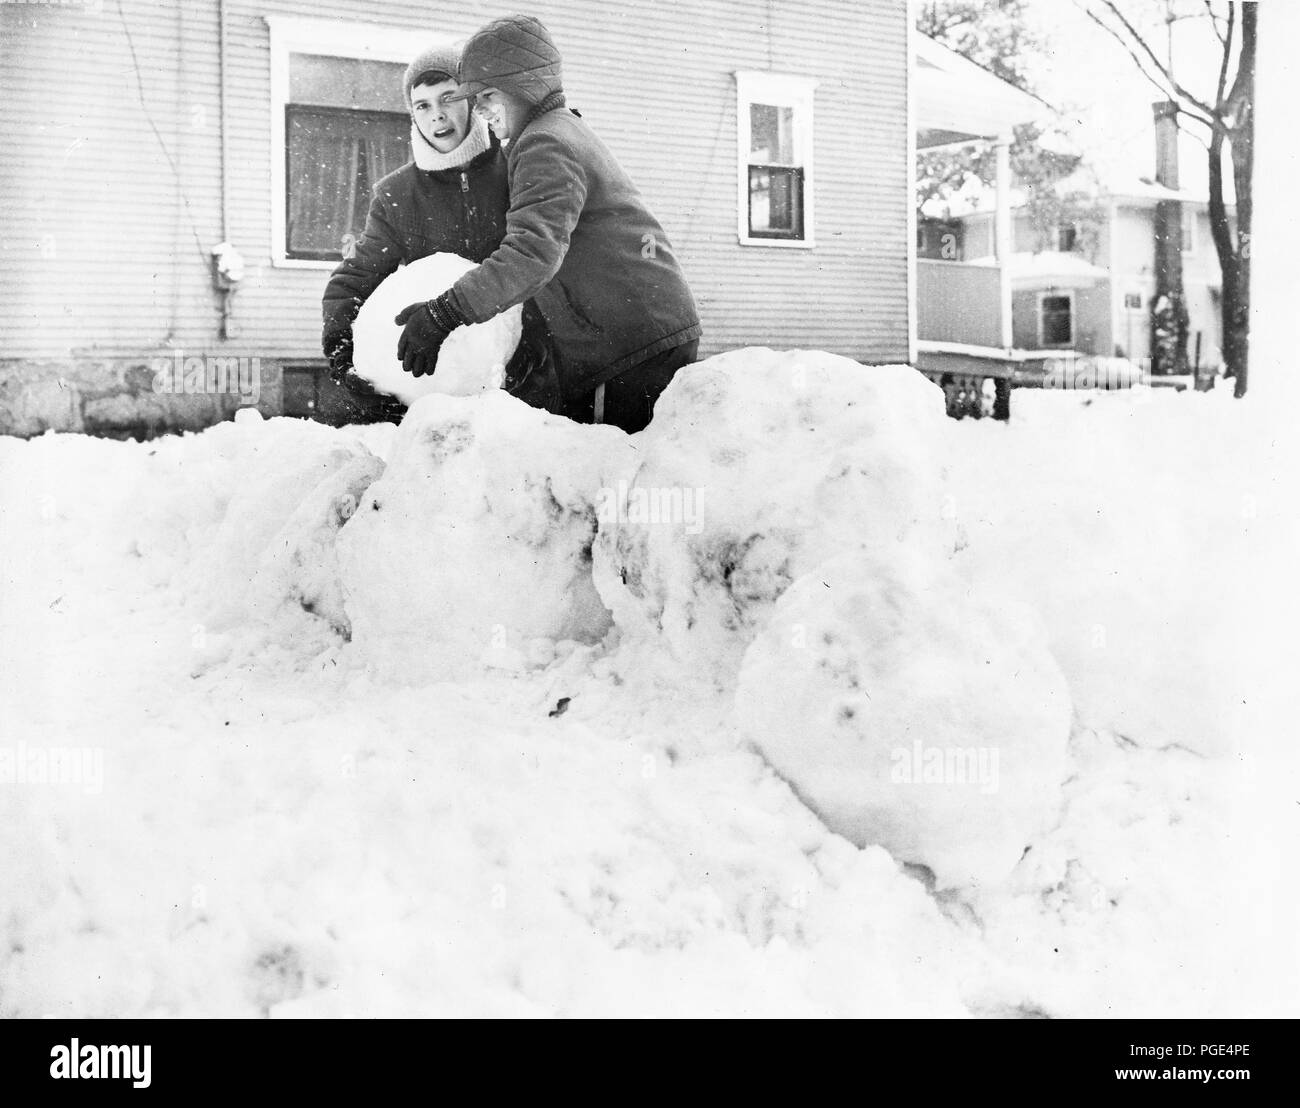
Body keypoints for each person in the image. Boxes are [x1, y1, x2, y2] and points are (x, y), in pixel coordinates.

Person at [393, 15, 701, 434]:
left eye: (486, 95)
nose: (479, 109)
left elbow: (532, 254)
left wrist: (444, 313)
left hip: (628, 345)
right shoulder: (557, 130)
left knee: (610, 475)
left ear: (523, 87)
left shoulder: (545, 143)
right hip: (638, 334)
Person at [321, 41, 557, 425]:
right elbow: (355, 279)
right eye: (423, 105)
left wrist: (534, 350)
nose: (438, 115)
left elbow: (544, 257)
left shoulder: (518, 170)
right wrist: (342, 358)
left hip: (527, 381)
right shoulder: (396, 194)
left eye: (449, 98)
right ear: (413, 116)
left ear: (472, 102)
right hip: (437, 385)